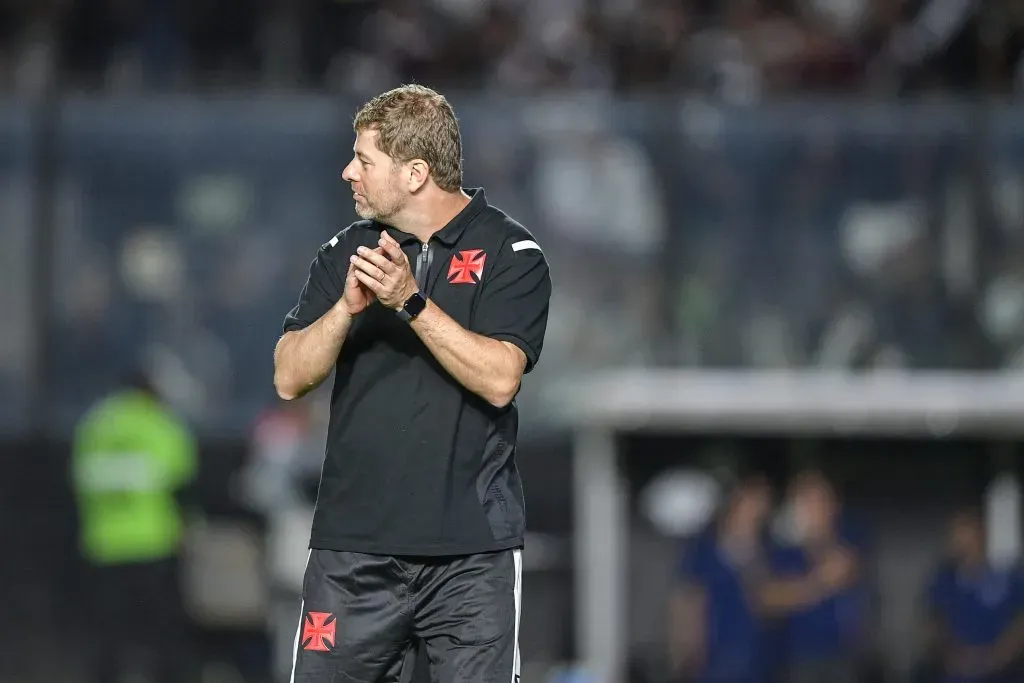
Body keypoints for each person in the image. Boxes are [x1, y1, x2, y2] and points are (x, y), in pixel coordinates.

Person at [273, 84, 552, 683]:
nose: (348, 171)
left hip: (471, 557)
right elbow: (289, 378)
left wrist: (409, 302)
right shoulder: (346, 251)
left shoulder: (512, 253)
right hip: (352, 550)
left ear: (416, 173)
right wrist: (345, 311)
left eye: (365, 160)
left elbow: (502, 379)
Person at [70, 368, 198, 683]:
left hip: (104, 545)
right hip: (153, 543)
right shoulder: (159, 423)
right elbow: (182, 479)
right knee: (163, 633)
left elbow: (79, 477)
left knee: (107, 636)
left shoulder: (94, 425)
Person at [761, 470, 870, 683]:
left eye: (822, 500)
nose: (816, 508)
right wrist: (818, 582)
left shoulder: (850, 536)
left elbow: (851, 570)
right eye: (807, 500)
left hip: (845, 655)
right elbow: (769, 599)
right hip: (797, 657)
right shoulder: (781, 548)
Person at [668, 473, 774, 683]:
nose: (756, 510)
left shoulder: (769, 550)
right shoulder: (704, 549)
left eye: (762, 503)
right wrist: (682, 652)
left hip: (757, 659)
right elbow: (686, 601)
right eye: (751, 501)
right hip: (712, 660)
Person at [925, 507, 1024, 683]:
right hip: (957, 672)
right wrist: (955, 657)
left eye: (962, 531)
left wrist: (995, 657)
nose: (956, 539)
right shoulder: (944, 579)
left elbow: (1019, 624)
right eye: (954, 532)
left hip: (1003, 672)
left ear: (980, 533)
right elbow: (935, 624)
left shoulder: (1007, 575)